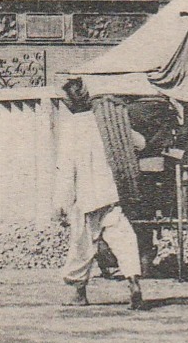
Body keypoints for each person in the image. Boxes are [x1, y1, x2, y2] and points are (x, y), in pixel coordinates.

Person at [56, 78, 146, 311]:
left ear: (68, 104)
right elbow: (140, 143)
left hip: (85, 197)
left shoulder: (70, 129)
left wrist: (62, 204)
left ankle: (79, 293)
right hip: (111, 191)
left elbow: (67, 169)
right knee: (123, 238)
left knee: (83, 245)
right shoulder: (107, 121)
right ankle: (134, 283)